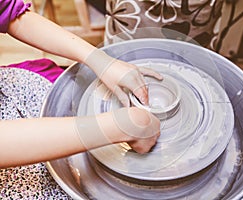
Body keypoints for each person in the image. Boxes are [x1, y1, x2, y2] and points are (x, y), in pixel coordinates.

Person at [0, 0, 162, 169]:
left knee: (75, 86)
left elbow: (11, 14)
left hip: (11, 89)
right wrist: (120, 126)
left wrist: (100, 60)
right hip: (11, 154)